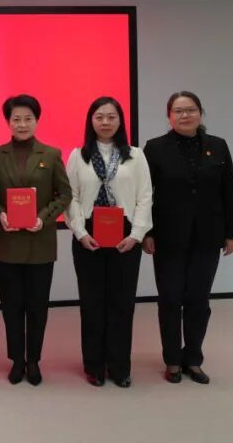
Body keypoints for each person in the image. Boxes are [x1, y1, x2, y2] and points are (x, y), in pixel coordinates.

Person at [143, 91, 233, 385]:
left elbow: (229, 191)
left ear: (200, 113)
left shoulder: (218, 146)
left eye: (190, 110)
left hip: (208, 236)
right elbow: (145, 196)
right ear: (169, 116)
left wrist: (232, 232)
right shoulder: (155, 148)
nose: (185, 115)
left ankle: (194, 358)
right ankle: (172, 359)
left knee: (199, 299)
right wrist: (147, 232)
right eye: (178, 111)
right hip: (168, 236)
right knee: (170, 299)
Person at [65, 96, 152, 388]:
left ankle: (119, 366)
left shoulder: (135, 156)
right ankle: (94, 365)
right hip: (89, 231)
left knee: (122, 302)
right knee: (92, 302)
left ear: (120, 121)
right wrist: (80, 231)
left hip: (125, 232)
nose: (105, 122)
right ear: (91, 121)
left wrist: (136, 235)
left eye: (111, 117)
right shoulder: (78, 155)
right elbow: (71, 196)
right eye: (99, 117)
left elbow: (145, 197)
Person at [0, 95, 71, 386]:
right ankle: (16, 360)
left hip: (40, 243)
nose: (22, 124)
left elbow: (64, 194)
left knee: (37, 306)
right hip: (7, 243)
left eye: (28, 119)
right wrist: (0, 214)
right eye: (16, 119)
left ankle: (33, 360)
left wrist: (43, 218)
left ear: (37, 120)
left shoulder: (51, 154)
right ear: (8, 122)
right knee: (11, 306)